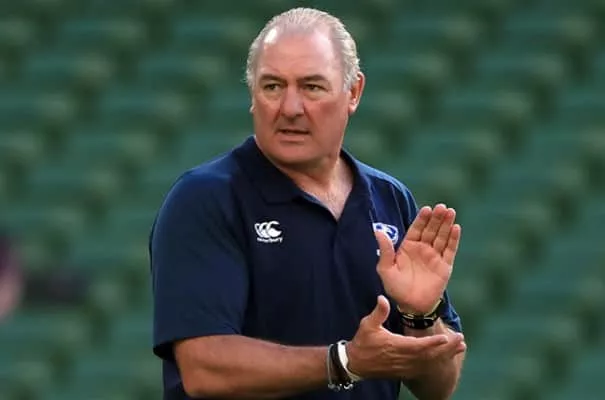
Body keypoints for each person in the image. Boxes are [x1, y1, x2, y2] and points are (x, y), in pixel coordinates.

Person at [150, 7, 466, 400]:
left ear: (354, 92)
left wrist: (420, 316)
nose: (290, 108)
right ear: (252, 95)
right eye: (272, 86)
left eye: (311, 87)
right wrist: (344, 361)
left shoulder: (389, 198)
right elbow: (204, 368)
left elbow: (439, 387)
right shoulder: (206, 198)